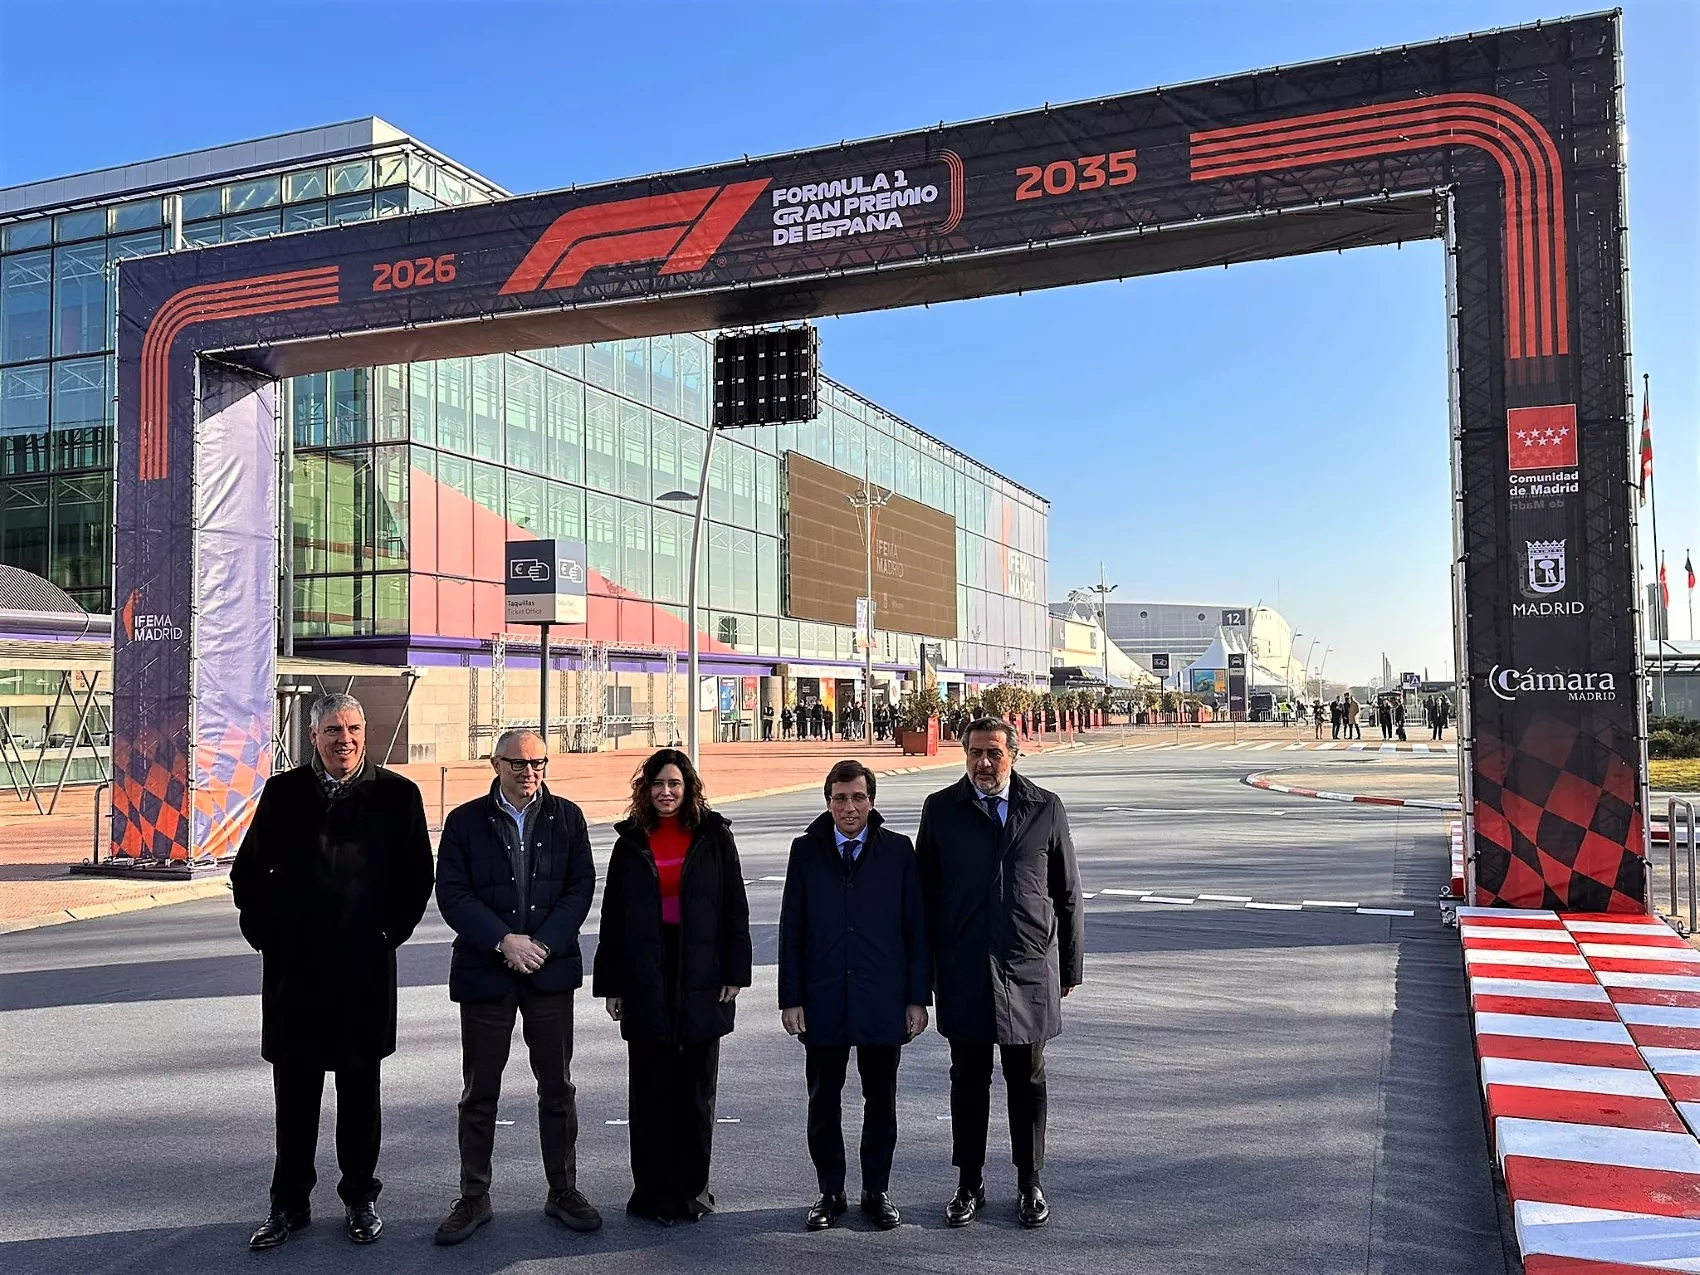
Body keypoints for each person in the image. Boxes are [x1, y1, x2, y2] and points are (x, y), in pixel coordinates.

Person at [231, 693, 434, 1251]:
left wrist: (385, 936)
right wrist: (268, 937)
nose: (343, 738)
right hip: (296, 971)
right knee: (294, 1095)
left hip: (362, 970)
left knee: (360, 1094)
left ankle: (360, 1199)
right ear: (312, 736)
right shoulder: (284, 792)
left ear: (364, 733)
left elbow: (417, 879)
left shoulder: (397, 795)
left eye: (352, 728)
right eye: (331, 729)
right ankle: (288, 1204)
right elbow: (248, 873)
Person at [432, 728, 600, 1246]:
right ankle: (474, 1196)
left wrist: (541, 945)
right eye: (519, 763)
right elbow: (453, 894)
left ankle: (563, 1189)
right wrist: (504, 941)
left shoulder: (567, 817)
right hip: (488, 971)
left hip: (548, 971)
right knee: (480, 1091)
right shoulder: (464, 822)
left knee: (557, 1087)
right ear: (495, 763)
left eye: (538, 764)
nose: (530, 773)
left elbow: (580, 888)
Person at [916, 718, 1084, 1230]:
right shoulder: (941, 809)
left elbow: (1067, 894)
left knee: (1026, 1078)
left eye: (994, 753)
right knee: (967, 1079)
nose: (984, 763)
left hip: (1027, 965)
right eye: (974, 753)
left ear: (1014, 754)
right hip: (963, 966)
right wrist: (922, 974)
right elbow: (923, 897)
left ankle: (1029, 1181)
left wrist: (1068, 967)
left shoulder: (1045, 808)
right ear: (963, 756)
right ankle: (969, 1182)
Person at [594, 748, 752, 1224]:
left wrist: (734, 973)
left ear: (689, 789)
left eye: (675, 785)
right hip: (645, 969)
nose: (666, 793)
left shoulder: (714, 837)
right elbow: (612, 918)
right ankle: (652, 1193)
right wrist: (612, 984)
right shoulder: (630, 843)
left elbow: (735, 908)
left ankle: (692, 1191)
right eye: (659, 784)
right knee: (649, 1093)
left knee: (695, 1092)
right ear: (646, 789)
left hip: (701, 969)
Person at [779, 760, 931, 1232]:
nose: (849, 807)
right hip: (822, 998)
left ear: (872, 801)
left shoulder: (898, 851)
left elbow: (915, 929)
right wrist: (791, 998)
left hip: (882, 997)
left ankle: (876, 1190)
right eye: (840, 798)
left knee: (880, 1100)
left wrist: (916, 998)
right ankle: (830, 1191)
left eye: (858, 797)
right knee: (823, 1100)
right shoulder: (806, 851)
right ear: (827, 801)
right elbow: (792, 928)